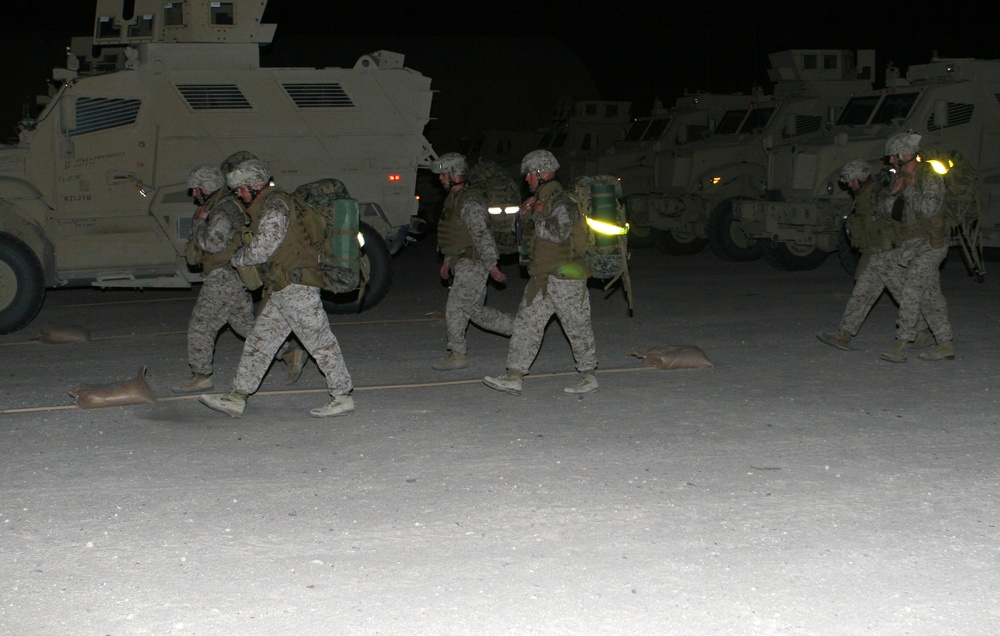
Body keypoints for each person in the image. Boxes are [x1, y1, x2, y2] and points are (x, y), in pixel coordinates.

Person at [199, 159, 355, 418]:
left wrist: (239, 257)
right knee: (259, 342)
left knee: (320, 342)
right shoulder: (275, 203)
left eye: (241, 189)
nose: (239, 194)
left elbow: (262, 249)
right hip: (284, 287)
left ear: (255, 186)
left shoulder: (276, 207)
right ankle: (237, 397)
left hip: (297, 287)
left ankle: (342, 396)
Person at [483, 149, 598, 395]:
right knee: (527, 324)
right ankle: (514, 375)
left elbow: (558, 234)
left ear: (543, 173)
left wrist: (535, 214)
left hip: (566, 277)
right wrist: (524, 216)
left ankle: (588, 376)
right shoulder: (539, 201)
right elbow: (528, 240)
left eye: (530, 174)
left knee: (576, 327)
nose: (526, 179)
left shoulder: (561, 201)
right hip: (543, 277)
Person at [817, 159, 933, 352]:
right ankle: (844, 334)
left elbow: (896, 215)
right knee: (862, 293)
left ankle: (922, 331)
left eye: (852, 180)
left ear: (862, 178)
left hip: (889, 254)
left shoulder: (879, 194)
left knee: (903, 294)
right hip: (874, 255)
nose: (849, 185)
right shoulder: (863, 196)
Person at [172, 164, 257, 393]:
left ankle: (201, 375)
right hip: (233, 274)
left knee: (201, 325)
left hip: (224, 275)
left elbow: (213, 243)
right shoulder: (225, 205)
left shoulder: (221, 210)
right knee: (243, 323)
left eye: (196, 189)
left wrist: (199, 222)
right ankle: (287, 352)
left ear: (207, 187)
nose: (193, 194)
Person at [430, 152, 514, 371]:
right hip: (462, 261)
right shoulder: (455, 198)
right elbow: (456, 233)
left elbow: (481, 234)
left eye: (443, 174)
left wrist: (491, 265)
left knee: (458, 308)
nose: (440, 179)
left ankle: (458, 354)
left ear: (454, 174)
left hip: (474, 263)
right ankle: (519, 328)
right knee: (472, 310)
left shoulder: (470, 201)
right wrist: (448, 260)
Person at [877, 132, 955, 363]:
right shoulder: (900, 177)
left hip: (932, 244)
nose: (891, 161)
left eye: (894, 156)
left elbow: (929, 209)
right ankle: (944, 343)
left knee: (912, 288)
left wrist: (909, 189)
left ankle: (902, 342)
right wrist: (894, 192)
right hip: (911, 244)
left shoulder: (929, 176)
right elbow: (886, 211)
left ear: (905, 153)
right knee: (929, 293)